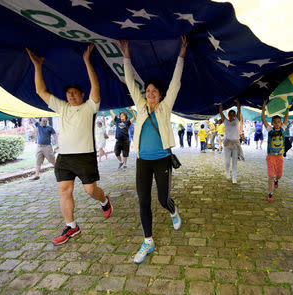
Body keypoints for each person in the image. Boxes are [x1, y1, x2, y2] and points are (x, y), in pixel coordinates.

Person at [26, 44, 112, 246]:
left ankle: (104, 201)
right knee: (64, 190)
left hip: (84, 157)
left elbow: (96, 87)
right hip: (64, 157)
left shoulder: (90, 107)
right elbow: (40, 90)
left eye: (75, 92)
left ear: (82, 95)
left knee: (91, 191)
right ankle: (71, 225)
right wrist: (38, 66)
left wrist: (87, 62)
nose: (71, 95)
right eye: (68, 93)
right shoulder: (62, 107)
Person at [118, 36, 187, 264]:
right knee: (143, 201)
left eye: (154, 90)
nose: (150, 93)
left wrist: (181, 55)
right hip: (142, 161)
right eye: (147, 90)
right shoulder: (141, 106)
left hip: (162, 160)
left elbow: (176, 83)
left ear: (160, 93)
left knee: (162, 199)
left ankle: (173, 210)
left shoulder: (165, 108)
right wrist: (126, 57)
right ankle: (148, 241)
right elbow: (130, 83)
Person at [261, 100, 289, 202]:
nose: (277, 123)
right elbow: (263, 119)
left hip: (279, 156)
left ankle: (277, 180)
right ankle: (270, 193)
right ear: (272, 123)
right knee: (271, 175)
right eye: (275, 122)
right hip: (271, 156)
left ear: (280, 123)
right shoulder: (270, 131)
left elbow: (286, 118)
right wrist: (264, 106)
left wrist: (288, 107)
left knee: (279, 175)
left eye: (279, 122)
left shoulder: (282, 130)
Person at [219, 100, 243, 184]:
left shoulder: (237, 121)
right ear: (228, 116)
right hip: (227, 143)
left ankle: (234, 177)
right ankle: (227, 172)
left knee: (235, 161)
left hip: (236, 143)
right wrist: (221, 103)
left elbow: (239, 110)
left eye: (234, 114)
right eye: (230, 114)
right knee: (227, 161)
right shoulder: (226, 121)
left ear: (235, 116)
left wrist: (237, 103)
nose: (232, 116)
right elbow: (221, 112)